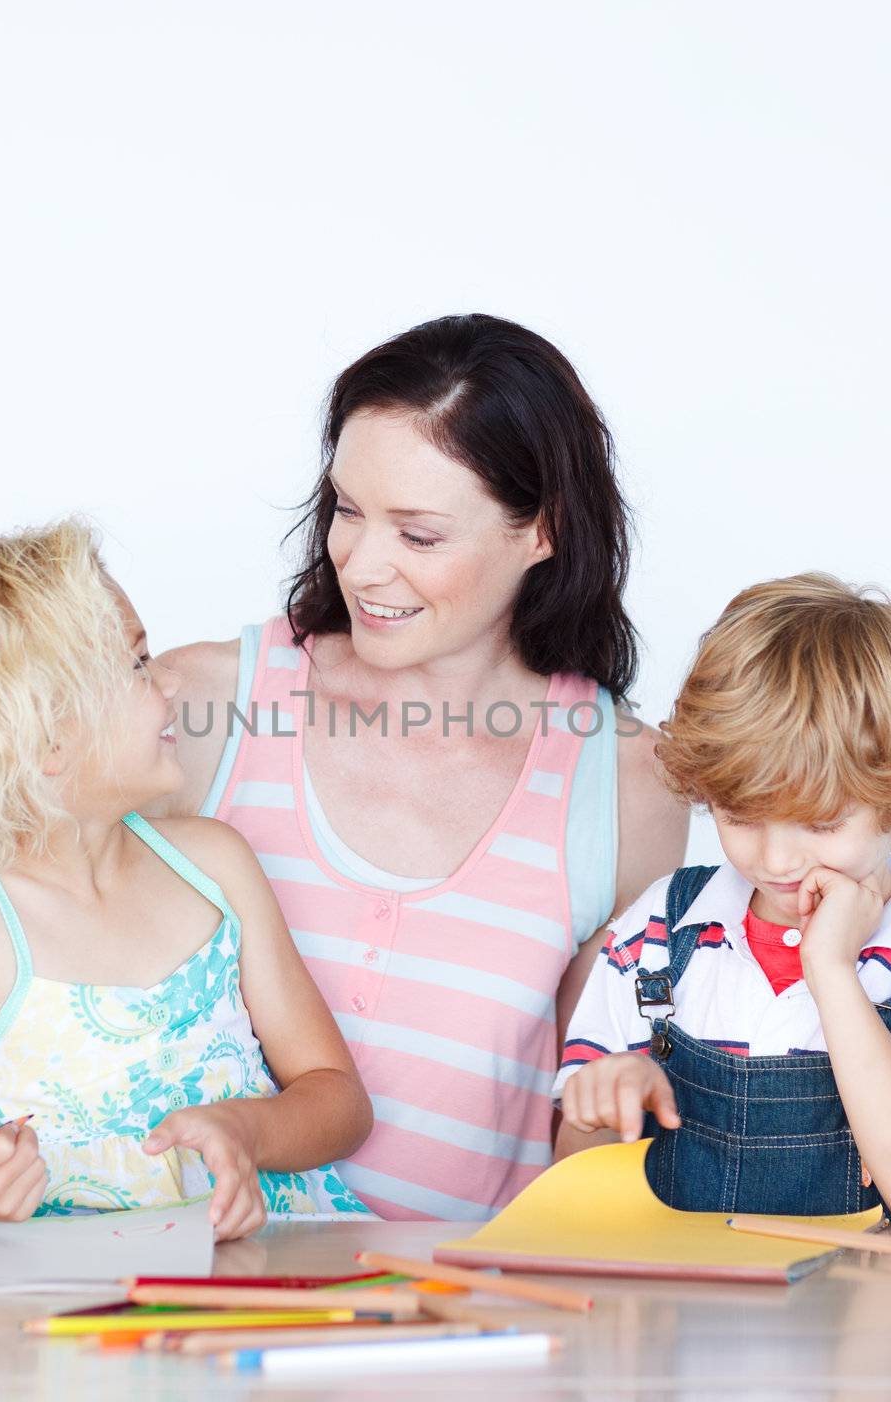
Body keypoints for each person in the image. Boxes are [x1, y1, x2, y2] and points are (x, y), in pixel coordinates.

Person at [155, 313, 688, 1220]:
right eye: (349, 512)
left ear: (543, 532)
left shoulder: (627, 782)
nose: (362, 565)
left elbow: (592, 1100)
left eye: (421, 534)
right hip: (201, 1308)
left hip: (467, 1329)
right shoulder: (202, 707)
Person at [0, 518, 372, 1239]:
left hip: (267, 1276)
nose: (172, 682)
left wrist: (251, 1131)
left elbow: (339, 1101)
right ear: (47, 734)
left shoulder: (215, 866)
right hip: (71, 1316)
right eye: (137, 664)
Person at [554, 573, 891, 1227]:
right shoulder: (660, 932)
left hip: (862, 1318)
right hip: (679, 1308)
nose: (774, 861)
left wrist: (832, 973)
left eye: (822, 821)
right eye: (741, 816)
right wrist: (603, 1106)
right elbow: (572, 1177)